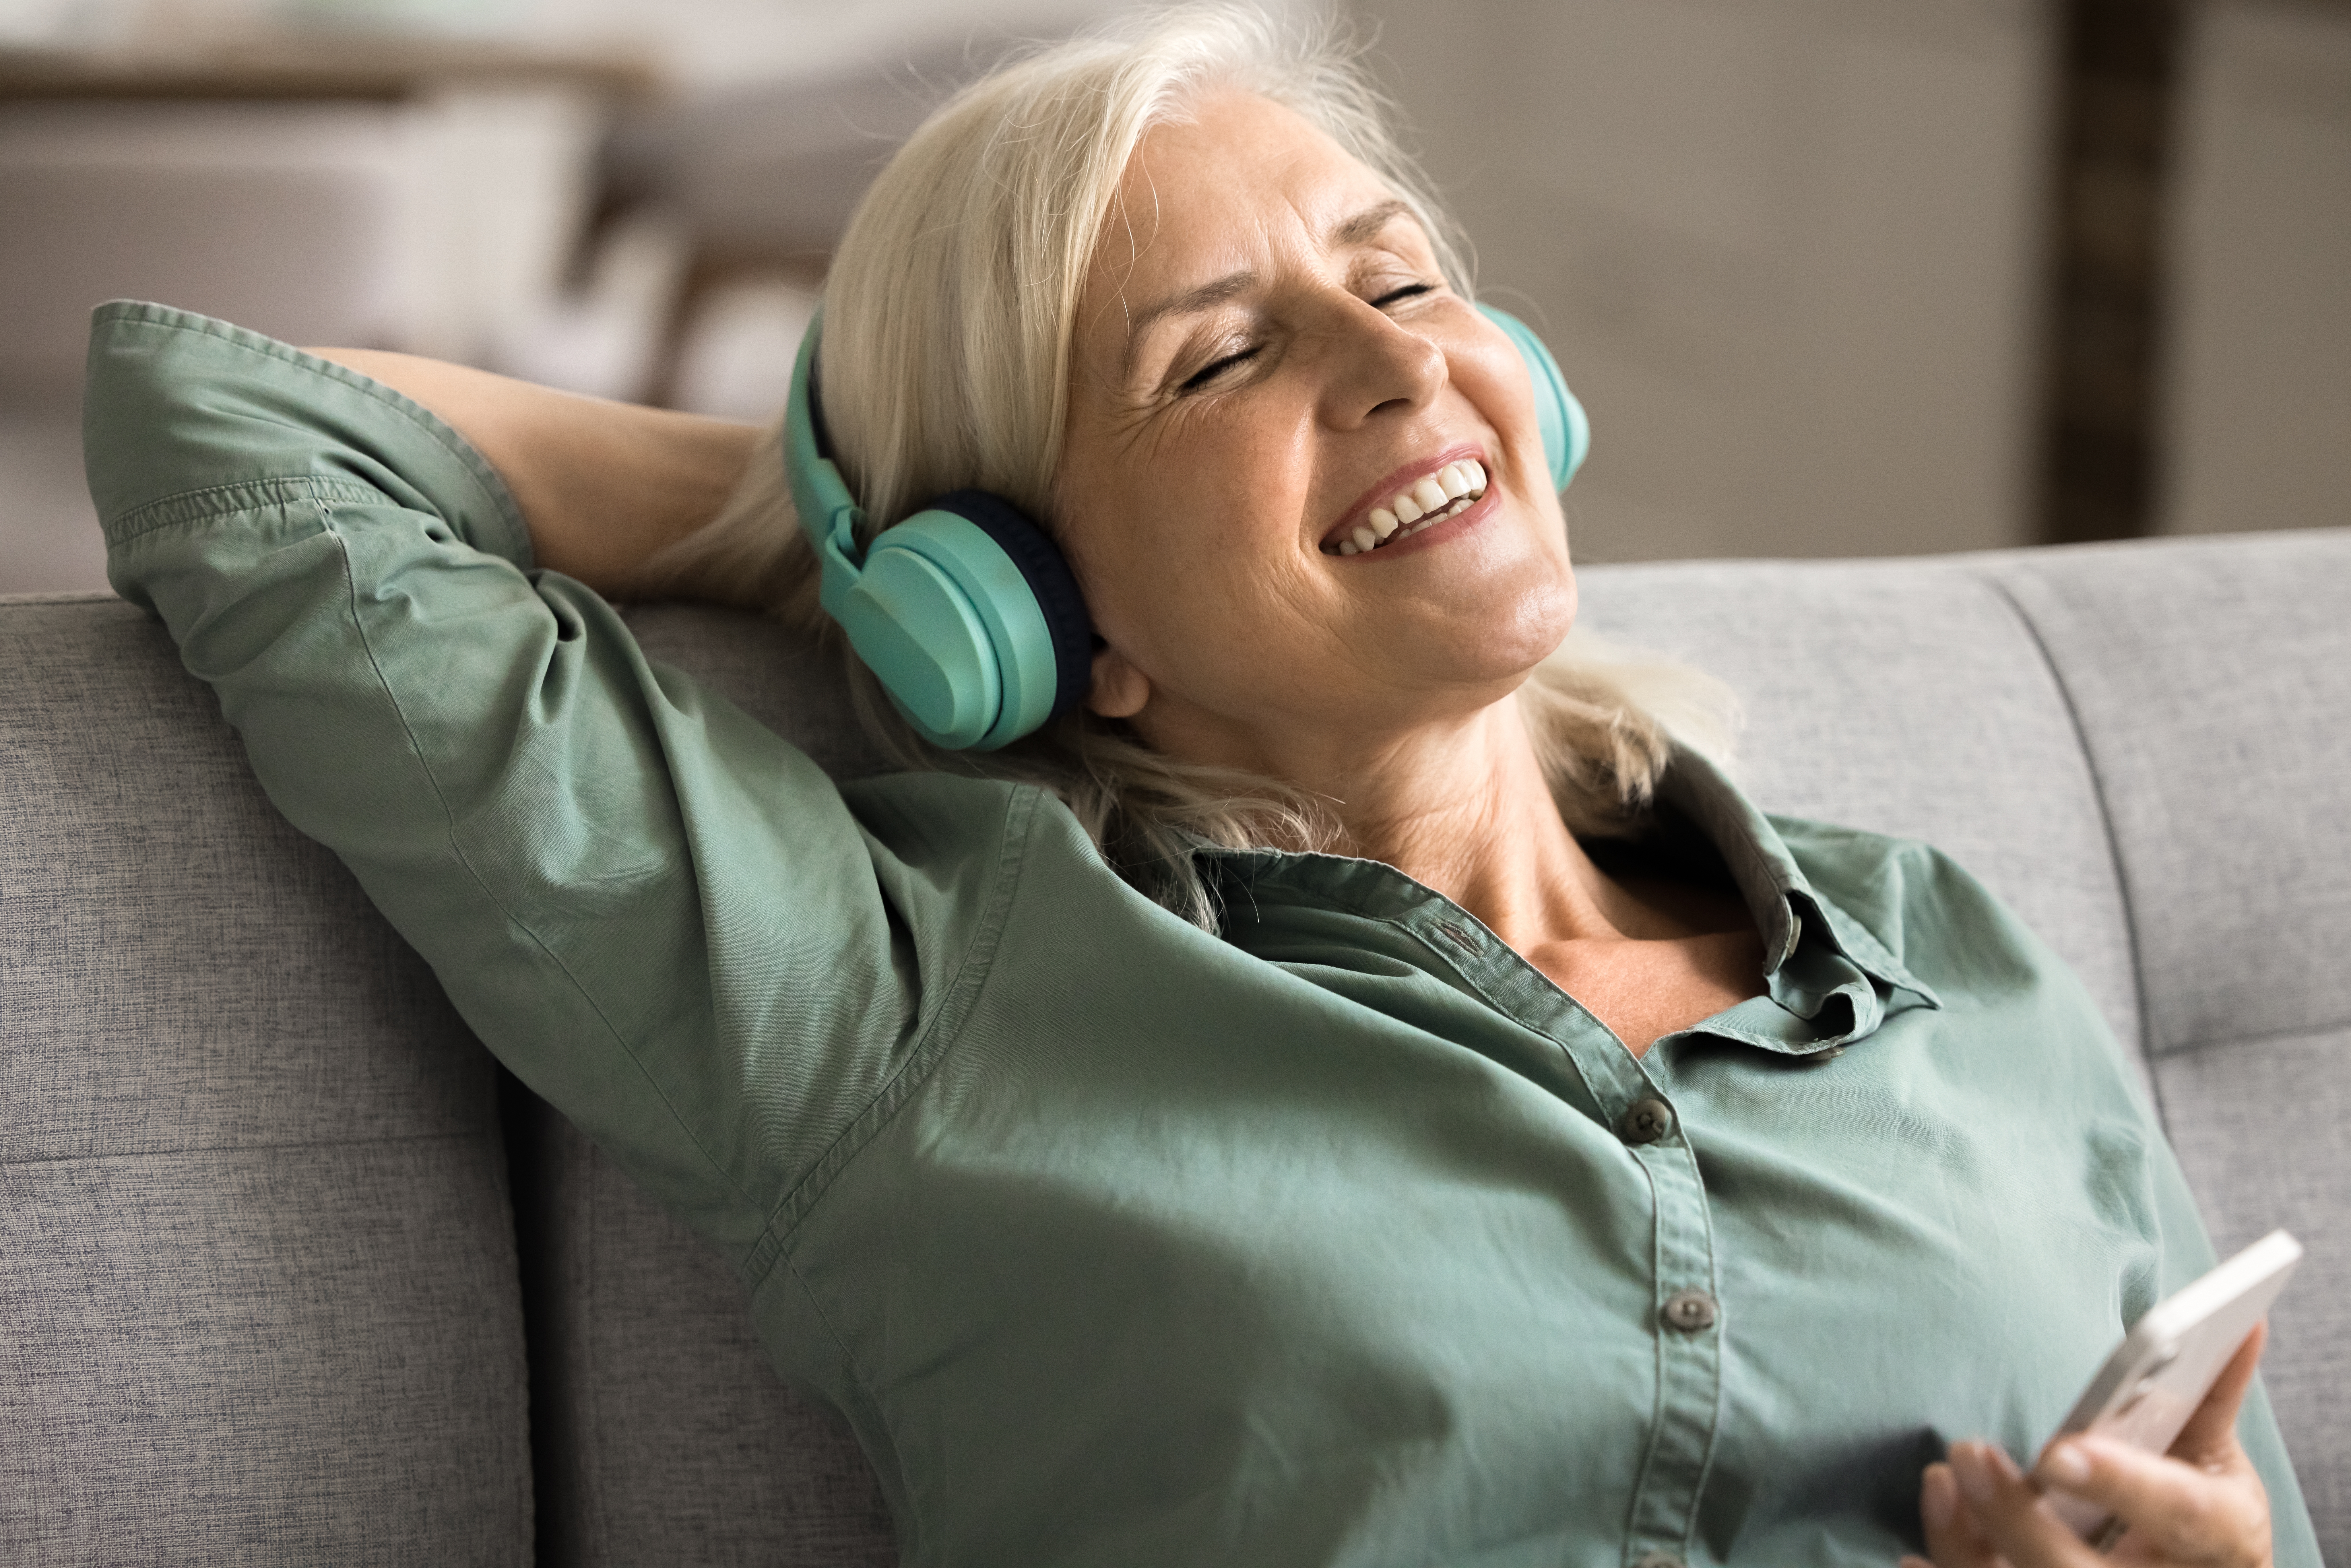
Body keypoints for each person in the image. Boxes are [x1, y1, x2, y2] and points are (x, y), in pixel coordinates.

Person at [83, 6, 2319, 1565]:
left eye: (1405, 277)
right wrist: (848, 539)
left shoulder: (1946, 957)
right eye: (1222, 355)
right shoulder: (901, 1004)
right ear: (1046, 601)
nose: (1397, 363)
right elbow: (227, 433)